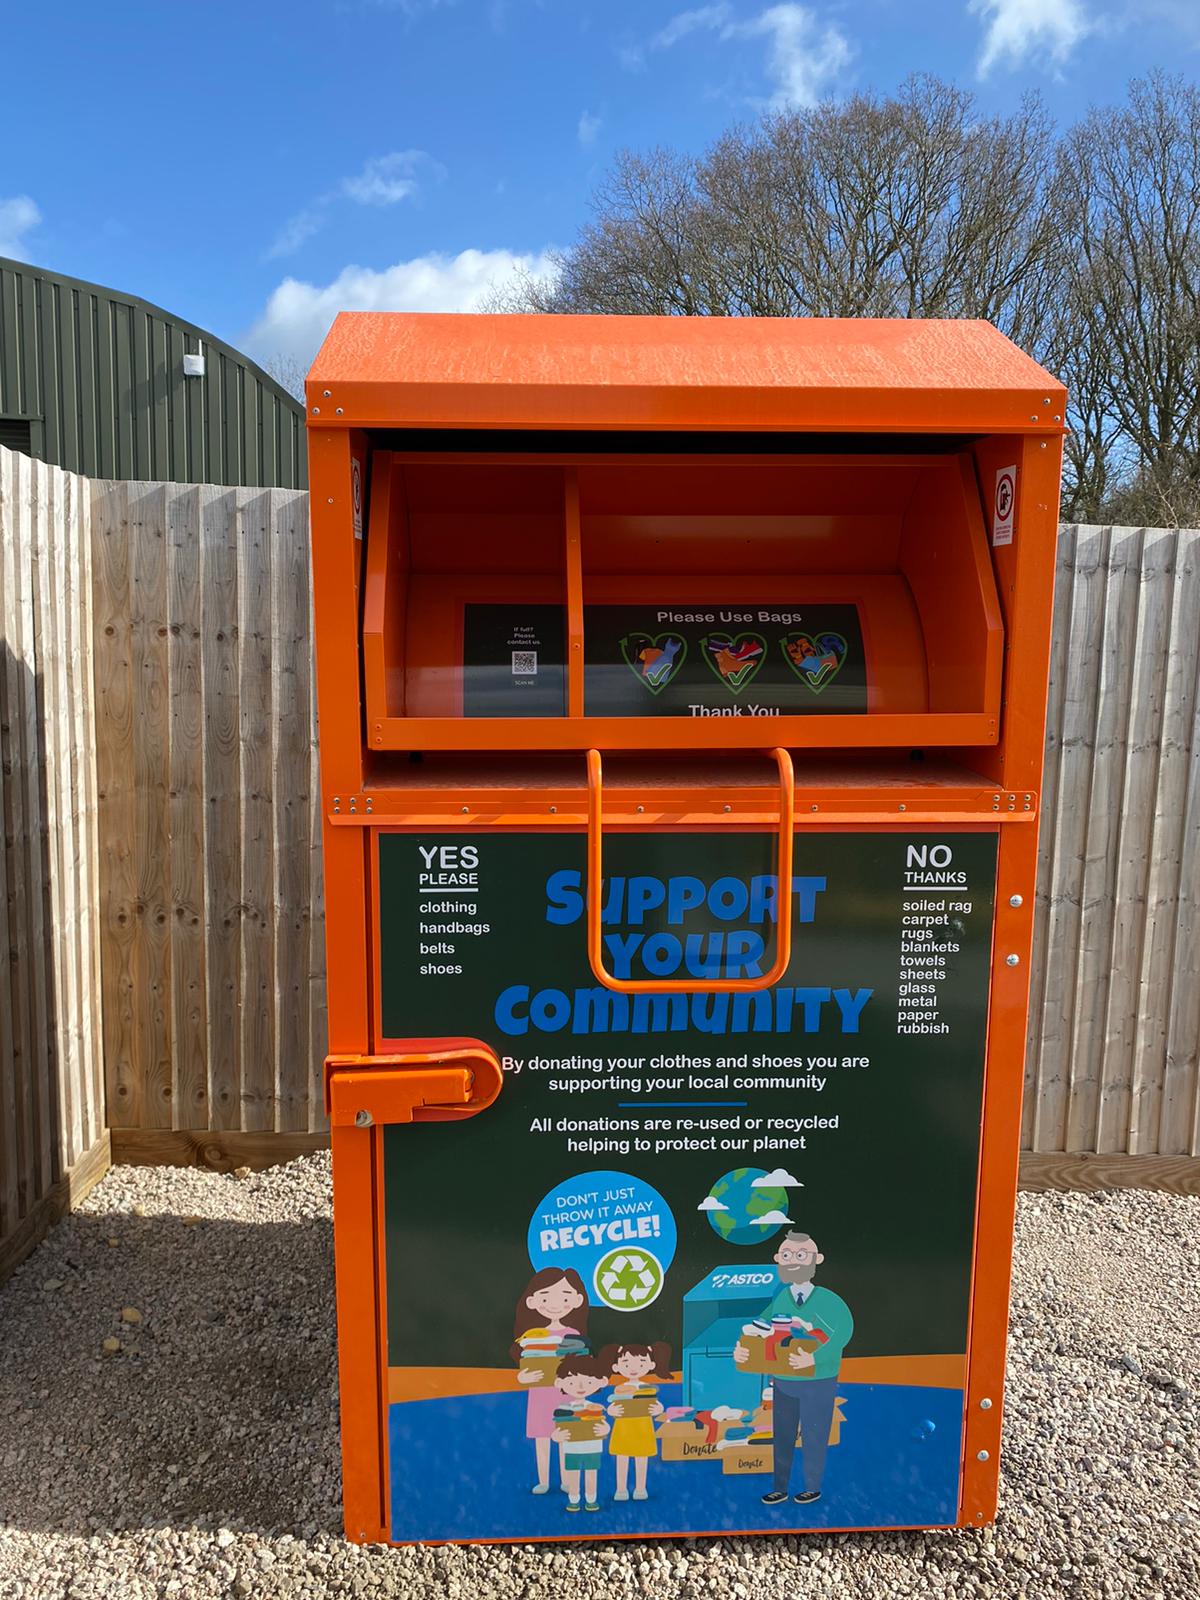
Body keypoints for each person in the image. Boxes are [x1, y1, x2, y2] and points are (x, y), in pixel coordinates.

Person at [734, 1229, 852, 1508]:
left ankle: (812, 1487)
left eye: (801, 1255)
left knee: (814, 1433)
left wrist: (814, 1359)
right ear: (778, 1259)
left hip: (818, 1380)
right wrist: (743, 1350)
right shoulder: (781, 1299)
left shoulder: (828, 1300)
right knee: (783, 1434)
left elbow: (843, 1332)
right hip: (784, 1380)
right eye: (787, 1255)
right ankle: (780, 1487)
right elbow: (758, 1330)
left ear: (816, 1259)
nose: (792, 1261)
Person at [511, 1268, 590, 1495]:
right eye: (546, 1297)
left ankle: (566, 1480)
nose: (555, 1304)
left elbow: (580, 1366)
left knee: (565, 1437)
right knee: (542, 1439)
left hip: (565, 1394)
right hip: (539, 1395)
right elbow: (525, 1367)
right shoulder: (532, 1337)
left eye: (564, 1297)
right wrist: (523, 1377)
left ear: (575, 1301)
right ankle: (543, 1481)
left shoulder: (572, 1334)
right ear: (534, 1301)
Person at [599, 1342, 669, 1501]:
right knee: (622, 1459)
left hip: (643, 1427)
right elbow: (612, 1406)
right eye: (627, 1363)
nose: (633, 1367)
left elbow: (656, 1405)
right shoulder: (619, 1389)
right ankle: (621, 1489)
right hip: (624, 1428)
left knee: (641, 1460)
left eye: (641, 1363)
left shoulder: (648, 1388)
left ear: (651, 1365)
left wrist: (658, 1409)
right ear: (616, 1366)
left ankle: (640, 1488)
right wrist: (612, 1411)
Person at [550, 1356, 611, 1512]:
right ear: (560, 1383)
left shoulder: (596, 1408)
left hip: (592, 1447)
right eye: (572, 1382)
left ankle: (591, 1499)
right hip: (571, 1448)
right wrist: (557, 1436)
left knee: (591, 1475)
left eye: (589, 1381)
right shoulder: (563, 1409)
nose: (581, 1386)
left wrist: (605, 1430)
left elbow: (604, 1425)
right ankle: (574, 1499)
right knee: (573, 1476)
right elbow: (556, 1430)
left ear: (600, 1381)